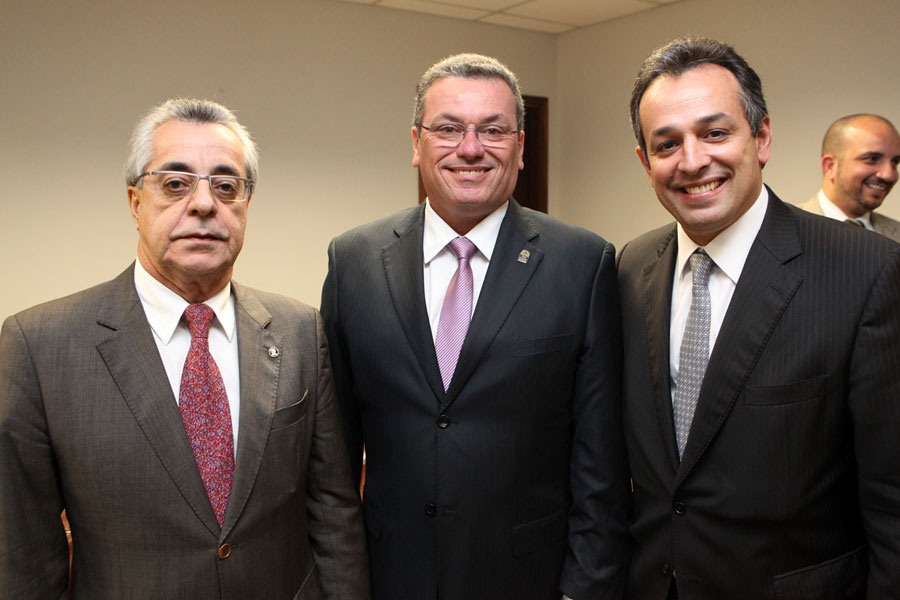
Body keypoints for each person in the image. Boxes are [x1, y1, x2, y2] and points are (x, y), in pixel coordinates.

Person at [0, 98, 370, 599]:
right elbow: (24, 557)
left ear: (245, 204)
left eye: (226, 185)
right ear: (135, 202)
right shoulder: (39, 345)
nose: (203, 204)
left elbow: (332, 513)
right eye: (175, 183)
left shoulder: (299, 330)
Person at [321, 53, 629, 600]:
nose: (470, 148)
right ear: (416, 143)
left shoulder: (582, 263)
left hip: (527, 579)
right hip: (390, 576)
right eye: (448, 129)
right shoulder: (354, 262)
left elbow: (600, 466)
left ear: (521, 147)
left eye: (493, 130)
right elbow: (334, 459)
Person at [618, 37, 900, 598]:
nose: (692, 160)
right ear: (646, 162)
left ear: (762, 136)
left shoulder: (866, 270)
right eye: (667, 143)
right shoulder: (631, 266)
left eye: (715, 133)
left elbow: (892, 497)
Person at [798, 113, 900, 241]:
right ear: (830, 166)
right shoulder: (784, 228)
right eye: (872, 159)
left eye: (895, 162)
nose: (889, 175)